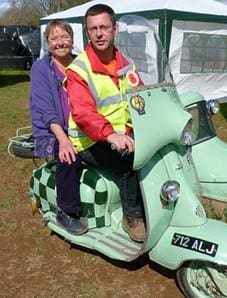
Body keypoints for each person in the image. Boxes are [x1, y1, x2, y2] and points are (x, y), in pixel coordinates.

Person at [66, 4, 145, 242]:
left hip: (123, 133)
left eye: (104, 27)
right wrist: (112, 136)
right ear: (87, 33)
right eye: (93, 29)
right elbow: (83, 113)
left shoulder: (127, 64)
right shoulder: (79, 70)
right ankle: (133, 216)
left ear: (115, 29)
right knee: (127, 161)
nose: (99, 33)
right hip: (88, 140)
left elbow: (140, 97)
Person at [29, 19, 88, 235]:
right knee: (68, 156)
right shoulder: (41, 68)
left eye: (65, 37)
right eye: (54, 38)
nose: (60, 42)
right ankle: (66, 211)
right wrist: (63, 139)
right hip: (52, 130)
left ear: (72, 40)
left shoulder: (81, 63)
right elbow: (45, 109)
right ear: (48, 42)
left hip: (81, 126)